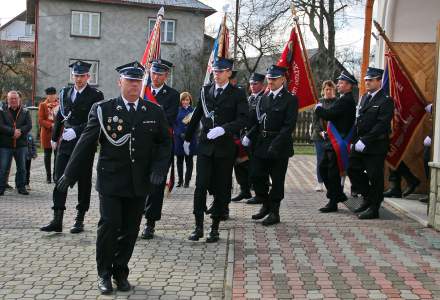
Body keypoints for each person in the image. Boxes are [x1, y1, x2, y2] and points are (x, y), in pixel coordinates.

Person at [56, 61, 171, 294]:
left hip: (140, 182)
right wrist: (69, 173)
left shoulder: (153, 111)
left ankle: (121, 271)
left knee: (130, 229)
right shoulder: (103, 109)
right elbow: (85, 143)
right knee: (109, 226)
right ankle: (104, 273)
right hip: (111, 181)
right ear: (120, 83)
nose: (134, 86)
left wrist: (160, 168)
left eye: (138, 81)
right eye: (129, 81)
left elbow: (165, 143)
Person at [184, 57, 248, 242]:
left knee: (221, 188)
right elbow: (196, 115)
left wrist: (224, 129)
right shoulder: (206, 91)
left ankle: (214, 227)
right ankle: (198, 226)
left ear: (229, 72)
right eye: (215, 71)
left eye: (221, 71)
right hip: (205, 148)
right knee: (200, 186)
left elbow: (244, 119)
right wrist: (188, 139)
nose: (217, 74)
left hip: (224, 148)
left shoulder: (237, 93)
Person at [40, 60, 104, 233]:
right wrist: (54, 137)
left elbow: (96, 121)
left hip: (84, 143)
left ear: (88, 77)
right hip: (66, 143)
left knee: (84, 181)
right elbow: (60, 115)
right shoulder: (65, 92)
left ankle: (79, 218)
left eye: (82, 76)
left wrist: (76, 130)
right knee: (59, 178)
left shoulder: (96, 95)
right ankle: (57, 219)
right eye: (76, 75)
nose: (79, 79)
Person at [243, 65, 298, 226]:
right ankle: (265, 204)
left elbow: (289, 126)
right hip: (262, 142)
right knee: (255, 175)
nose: (271, 81)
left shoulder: (290, 99)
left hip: (280, 146)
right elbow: (258, 122)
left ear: (283, 79)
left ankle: (275, 212)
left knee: (277, 180)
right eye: (269, 78)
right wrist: (249, 135)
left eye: (274, 78)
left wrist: (275, 144)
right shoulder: (263, 98)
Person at [348, 67, 394, 219]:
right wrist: (353, 140)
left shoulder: (386, 100)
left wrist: (365, 140)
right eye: (366, 80)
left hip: (375, 145)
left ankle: (374, 208)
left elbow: (382, 125)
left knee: (375, 176)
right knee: (352, 169)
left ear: (379, 81)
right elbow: (357, 121)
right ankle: (368, 197)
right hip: (360, 143)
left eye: (371, 80)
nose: (367, 82)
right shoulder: (365, 98)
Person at [141, 58, 179, 240]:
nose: (156, 77)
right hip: (141, 146)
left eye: (160, 74)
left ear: (166, 75)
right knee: (140, 183)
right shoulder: (141, 90)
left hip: (160, 146)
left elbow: (168, 119)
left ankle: (150, 223)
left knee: (156, 186)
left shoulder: (172, 95)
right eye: (153, 73)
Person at [314, 74, 356, 212]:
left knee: (331, 172)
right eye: (338, 82)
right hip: (332, 140)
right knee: (323, 168)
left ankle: (333, 201)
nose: (338, 85)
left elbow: (330, 115)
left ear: (349, 85)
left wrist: (318, 108)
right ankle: (337, 194)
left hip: (339, 140)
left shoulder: (346, 100)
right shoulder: (344, 99)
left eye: (341, 83)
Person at [231, 72, 266, 204]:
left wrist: (249, 135)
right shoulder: (250, 98)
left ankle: (259, 194)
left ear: (262, 84)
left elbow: (260, 121)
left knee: (255, 168)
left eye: (255, 84)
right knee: (239, 164)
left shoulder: (264, 98)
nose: (252, 86)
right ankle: (244, 190)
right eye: (251, 83)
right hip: (243, 136)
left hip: (256, 138)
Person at [0, 91, 32, 195]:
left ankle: (21, 187)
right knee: (3, 168)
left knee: (22, 168)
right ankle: (1, 187)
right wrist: (12, 132)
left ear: (19, 100)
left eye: (15, 98)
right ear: (7, 99)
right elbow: (1, 126)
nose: (13, 100)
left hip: (21, 144)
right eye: (11, 99)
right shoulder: (1, 111)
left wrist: (20, 131)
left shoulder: (25, 111)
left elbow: (29, 125)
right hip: (5, 144)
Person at [311, 80, 338, 192]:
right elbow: (315, 121)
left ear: (334, 90)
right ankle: (320, 182)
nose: (328, 91)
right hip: (319, 137)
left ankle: (332, 182)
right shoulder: (318, 103)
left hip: (334, 136)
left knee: (333, 160)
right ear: (323, 90)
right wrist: (320, 132)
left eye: (331, 89)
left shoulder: (338, 102)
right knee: (320, 159)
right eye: (326, 89)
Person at [173, 92, 197, 188]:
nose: (185, 102)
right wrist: (179, 133)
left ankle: (187, 181)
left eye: (187, 100)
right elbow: (174, 124)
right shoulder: (176, 110)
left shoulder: (194, 111)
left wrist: (189, 133)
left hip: (190, 139)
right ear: (180, 101)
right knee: (179, 161)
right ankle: (180, 180)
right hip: (179, 139)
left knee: (189, 161)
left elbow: (196, 125)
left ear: (190, 100)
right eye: (183, 100)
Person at [38, 86, 59, 183]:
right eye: (49, 95)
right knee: (47, 155)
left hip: (58, 133)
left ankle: (56, 175)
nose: (51, 96)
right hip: (46, 133)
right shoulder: (43, 105)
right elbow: (40, 120)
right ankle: (48, 176)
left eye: (53, 94)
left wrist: (58, 125)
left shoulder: (60, 104)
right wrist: (51, 125)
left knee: (57, 155)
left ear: (56, 95)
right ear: (47, 95)